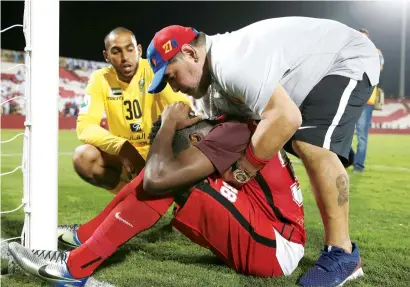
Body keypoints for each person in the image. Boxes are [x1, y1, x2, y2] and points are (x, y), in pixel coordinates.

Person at [146, 17, 379, 286]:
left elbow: (286, 118)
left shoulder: (231, 63)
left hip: (345, 57)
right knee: (260, 132)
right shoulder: (205, 89)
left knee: (310, 144)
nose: (173, 87)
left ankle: (343, 254)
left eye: (171, 76)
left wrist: (243, 172)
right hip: (302, 79)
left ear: (190, 53)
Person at [9, 103, 305, 286]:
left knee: (168, 179)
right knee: (165, 175)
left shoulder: (234, 128)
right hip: (266, 232)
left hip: (277, 248)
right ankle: (85, 237)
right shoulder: (234, 121)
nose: (178, 88)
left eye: (175, 77)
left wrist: (168, 124)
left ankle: (73, 267)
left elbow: (157, 179)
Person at [73, 27, 190, 194]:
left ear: (139, 50)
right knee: (83, 157)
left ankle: (184, 197)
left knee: (193, 140)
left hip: (160, 152)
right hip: (126, 158)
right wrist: (122, 147)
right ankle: (129, 200)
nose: (125, 57)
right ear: (106, 56)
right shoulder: (100, 79)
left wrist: (162, 148)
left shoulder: (153, 70)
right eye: (116, 51)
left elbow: (182, 109)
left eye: (130, 49)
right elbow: (84, 126)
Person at [350, 28, 384, 173]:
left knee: (362, 137)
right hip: (349, 99)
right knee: (341, 133)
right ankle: (346, 159)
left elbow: (379, 68)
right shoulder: (351, 51)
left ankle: (358, 166)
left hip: (366, 101)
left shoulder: (376, 52)